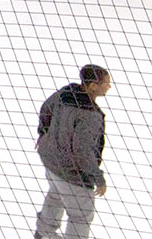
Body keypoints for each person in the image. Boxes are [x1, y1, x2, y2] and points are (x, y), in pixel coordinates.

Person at [34, 64, 112, 239]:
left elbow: (46, 107)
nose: (109, 86)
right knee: (81, 216)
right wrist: (97, 177)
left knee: (56, 194)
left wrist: (43, 133)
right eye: (106, 82)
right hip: (73, 173)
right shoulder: (90, 115)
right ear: (93, 86)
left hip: (51, 160)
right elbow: (83, 152)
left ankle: (43, 233)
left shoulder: (65, 94)